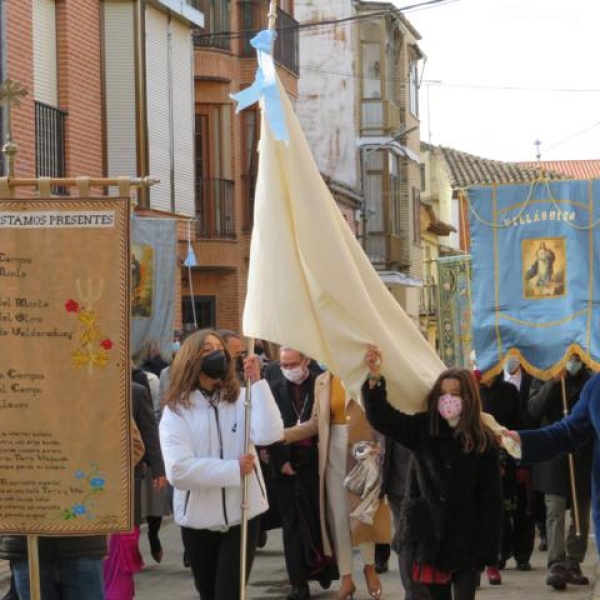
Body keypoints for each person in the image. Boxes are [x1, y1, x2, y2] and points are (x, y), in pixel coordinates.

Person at [362, 345, 502, 600]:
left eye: (456, 394)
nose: (448, 400)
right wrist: (374, 377)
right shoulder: (424, 428)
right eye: (443, 394)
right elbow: (383, 418)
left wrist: (487, 549)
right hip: (428, 534)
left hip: (466, 539)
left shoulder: (484, 441)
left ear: (468, 398)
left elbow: (491, 501)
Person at [159, 329, 283, 600]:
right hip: (198, 521)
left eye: (219, 349)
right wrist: (233, 470)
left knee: (229, 595)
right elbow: (178, 471)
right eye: (206, 350)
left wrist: (258, 384)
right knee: (209, 594)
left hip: (244, 514)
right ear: (191, 358)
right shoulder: (177, 410)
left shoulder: (241, 399)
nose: (215, 354)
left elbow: (270, 434)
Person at [283, 371, 390, 599]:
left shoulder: (361, 373)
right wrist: (281, 435)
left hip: (362, 454)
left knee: (362, 515)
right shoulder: (322, 381)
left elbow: (380, 411)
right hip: (332, 451)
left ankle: (369, 568)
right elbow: (314, 423)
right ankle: (346, 579)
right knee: (338, 518)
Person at [266, 348, 336, 600]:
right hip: (284, 465)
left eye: (292, 363)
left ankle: (323, 568)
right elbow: (266, 427)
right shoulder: (273, 387)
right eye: (283, 364)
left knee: (317, 518)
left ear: (306, 361)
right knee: (292, 525)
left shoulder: (321, 381)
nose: (287, 368)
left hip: (315, 464)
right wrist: (280, 460)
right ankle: (298, 582)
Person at [526, 353, 592, 590]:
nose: (572, 361)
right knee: (554, 511)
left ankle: (574, 562)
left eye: (577, 357)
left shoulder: (590, 378)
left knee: (580, 512)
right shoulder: (542, 375)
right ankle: (556, 562)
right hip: (553, 455)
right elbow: (534, 409)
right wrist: (553, 382)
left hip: (583, 455)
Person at [103, 381, 166, 600]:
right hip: (91, 495)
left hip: (125, 484)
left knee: (123, 547)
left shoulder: (135, 392)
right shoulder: (78, 390)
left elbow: (149, 434)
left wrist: (159, 469)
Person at [478, 371, 522, 583]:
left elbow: (514, 426)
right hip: (470, 457)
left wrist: (505, 459)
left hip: (499, 455)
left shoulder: (509, 391)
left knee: (495, 513)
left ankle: (492, 562)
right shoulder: (469, 389)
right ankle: (472, 568)